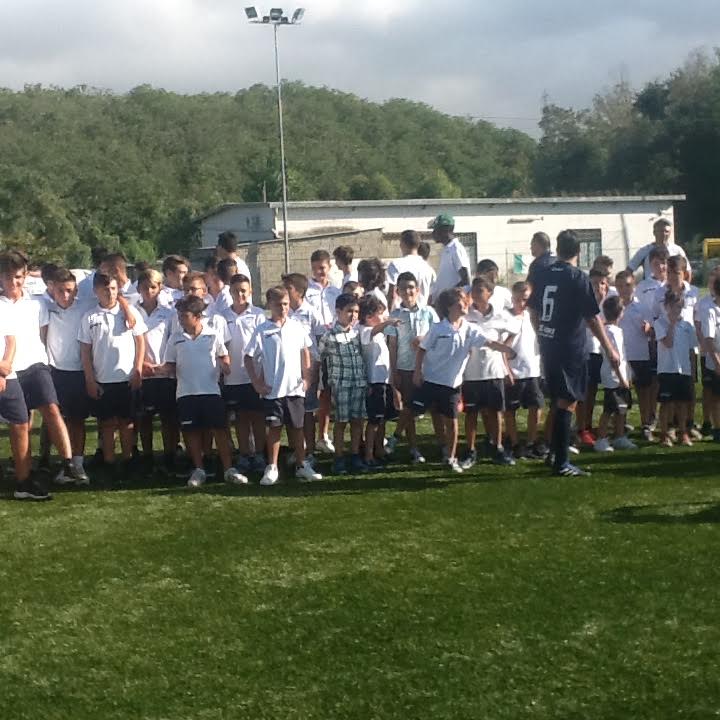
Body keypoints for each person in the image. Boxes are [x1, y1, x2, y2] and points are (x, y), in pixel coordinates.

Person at [527, 230, 620, 477]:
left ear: (557, 249)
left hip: (549, 344)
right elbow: (592, 317)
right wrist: (609, 348)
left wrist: (541, 332)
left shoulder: (543, 273)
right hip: (569, 346)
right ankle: (562, 461)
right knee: (567, 401)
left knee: (558, 399)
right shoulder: (577, 277)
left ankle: (553, 452)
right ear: (579, 251)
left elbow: (533, 309)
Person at [0, 251, 86, 486]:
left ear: (26, 275)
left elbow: (44, 334)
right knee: (22, 422)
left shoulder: (38, 302)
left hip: (36, 364)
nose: (14, 282)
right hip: (11, 371)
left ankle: (68, 464)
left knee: (51, 408)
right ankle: (24, 469)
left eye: (18, 276)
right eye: (8, 277)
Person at [412, 287, 514, 473]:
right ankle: (396, 442)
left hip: (452, 386)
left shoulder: (470, 329)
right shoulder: (438, 328)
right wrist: (417, 372)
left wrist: (507, 350)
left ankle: (451, 458)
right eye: (461, 301)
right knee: (410, 411)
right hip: (430, 381)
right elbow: (422, 349)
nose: (466, 304)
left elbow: (489, 343)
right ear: (450, 306)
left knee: (452, 421)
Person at [163, 295, 248, 488]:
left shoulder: (213, 335)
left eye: (184, 316)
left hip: (211, 392)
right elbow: (169, 365)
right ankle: (199, 470)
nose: (180, 319)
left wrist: (225, 365)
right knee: (191, 432)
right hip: (185, 393)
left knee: (220, 430)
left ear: (197, 316)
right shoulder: (175, 339)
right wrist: (157, 370)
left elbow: (224, 356)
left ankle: (228, 469)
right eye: (179, 315)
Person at [244, 286, 321, 486]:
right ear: (270, 305)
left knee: (297, 428)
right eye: (278, 304)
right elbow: (248, 357)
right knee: (274, 429)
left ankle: (301, 465)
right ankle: (272, 467)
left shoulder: (296, 327)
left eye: (286, 304)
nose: (283, 308)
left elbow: (305, 351)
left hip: (295, 390)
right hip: (273, 392)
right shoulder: (262, 330)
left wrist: (307, 378)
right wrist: (257, 383)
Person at [78, 272, 147, 474]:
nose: (110, 293)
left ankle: (128, 461)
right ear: (96, 291)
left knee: (127, 422)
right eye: (105, 289)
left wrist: (138, 369)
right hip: (103, 379)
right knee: (107, 424)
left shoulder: (129, 313)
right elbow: (85, 351)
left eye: (113, 288)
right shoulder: (90, 316)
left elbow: (140, 341)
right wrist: (90, 380)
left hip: (126, 377)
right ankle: (109, 463)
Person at [41, 267, 94, 484]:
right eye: (61, 291)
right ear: (52, 290)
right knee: (55, 419)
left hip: (79, 371)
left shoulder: (86, 307)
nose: (65, 295)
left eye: (70, 290)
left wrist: (127, 309)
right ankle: (59, 462)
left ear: (76, 290)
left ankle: (77, 464)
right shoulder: (44, 307)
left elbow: (114, 301)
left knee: (77, 420)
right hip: (54, 372)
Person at [460, 276, 517, 468]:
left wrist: (504, 349)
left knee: (495, 412)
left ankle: (497, 447)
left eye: (480, 291)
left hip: (494, 372)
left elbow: (514, 329)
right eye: (473, 291)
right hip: (472, 373)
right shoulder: (466, 314)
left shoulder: (500, 315)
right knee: (471, 413)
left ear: (490, 293)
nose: (475, 294)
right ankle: (470, 450)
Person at [385, 272, 438, 464]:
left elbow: (438, 336)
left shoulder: (428, 312)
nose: (407, 292)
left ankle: (397, 437)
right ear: (397, 291)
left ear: (418, 290)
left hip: (427, 367)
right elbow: (392, 345)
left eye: (411, 287)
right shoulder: (395, 315)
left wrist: (424, 339)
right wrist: (393, 372)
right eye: (403, 288)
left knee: (429, 408)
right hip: (405, 367)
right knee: (409, 407)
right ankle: (414, 448)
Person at [220, 273, 266, 473]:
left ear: (250, 292)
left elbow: (263, 346)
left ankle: (260, 454)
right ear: (230, 292)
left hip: (254, 375)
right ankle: (245, 454)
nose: (240, 295)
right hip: (233, 376)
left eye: (243, 291)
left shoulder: (258, 314)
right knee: (240, 417)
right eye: (236, 291)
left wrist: (261, 375)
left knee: (258, 416)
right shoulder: (222, 316)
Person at [135, 269, 178, 474]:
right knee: (144, 418)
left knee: (169, 418)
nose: (149, 291)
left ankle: (170, 455)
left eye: (153, 287)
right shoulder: (133, 313)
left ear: (160, 288)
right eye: (145, 287)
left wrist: (166, 365)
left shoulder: (169, 314)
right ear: (138, 288)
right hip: (143, 373)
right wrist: (141, 364)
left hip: (165, 372)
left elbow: (173, 340)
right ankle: (147, 456)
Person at [319, 293, 368, 475]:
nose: (353, 315)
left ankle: (354, 455)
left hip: (358, 383)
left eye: (356, 311)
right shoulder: (329, 336)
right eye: (349, 311)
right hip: (340, 385)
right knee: (341, 422)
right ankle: (339, 458)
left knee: (357, 421)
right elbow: (319, 358)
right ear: (338, 312)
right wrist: (322, 384)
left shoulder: (357, 334)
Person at [283, 272, 325, 466]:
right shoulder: (283, 312)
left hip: (308, 367)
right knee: (291, 411)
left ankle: (310, 450)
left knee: (307, 411)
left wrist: (315, 367)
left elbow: (320, 340)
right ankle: (296, 448)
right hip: (288, 369)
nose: (285, 291)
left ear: (299, 291)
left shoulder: (311, 312)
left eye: (288, 288)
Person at [504, 281, 547, 459]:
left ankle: (531, 441)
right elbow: (503, 347)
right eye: (518, 299)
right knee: (510, 410)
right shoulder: (506, 318)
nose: (522, 303)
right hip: (514, 372)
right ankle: (514, 443)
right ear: (512, 298)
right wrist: (507, 370)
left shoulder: (533, 316)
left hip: (533, 371)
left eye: (526, 299)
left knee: (536, 406)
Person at [358, 295, 399, 469]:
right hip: (374, 383)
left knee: (382, 419)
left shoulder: (379, 334)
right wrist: (388, 323)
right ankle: (368, 455)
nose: (384, 316)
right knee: (374, 420)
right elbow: (373, 331)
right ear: (369, 316)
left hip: (384, 381)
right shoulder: (364, 331)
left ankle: (379, 451)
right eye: (380, 313)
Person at [306, 249, 341, 454]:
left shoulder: (335, 291)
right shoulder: (307, 290)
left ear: (329, 267)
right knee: (312, 389)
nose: (319, 272)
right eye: (316, 268)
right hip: (312, 342)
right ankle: (307, 438)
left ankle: (323, 434)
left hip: (331, 342)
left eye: (323, 268)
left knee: (327, 389)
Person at [615, 270, 656, 440]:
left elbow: (652, 331)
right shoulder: (613, 306)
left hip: (640, 355)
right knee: (622, 393)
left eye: (627, 285)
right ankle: (621, 424)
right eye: (620, 286)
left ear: (634, 286)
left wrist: (649, 330)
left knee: (643, 392)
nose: (624, 289)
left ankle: (646, 424)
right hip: (621, 357)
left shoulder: (642, 307)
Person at [654, 291, 697, 447]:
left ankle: (683, 432)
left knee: (682, 403)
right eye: (673, 306)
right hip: (667, 369)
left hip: (683, 369)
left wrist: (692, 371)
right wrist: (672, 324)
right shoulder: (660, 323)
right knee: (666, 403)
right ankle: (664, 434)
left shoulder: (687, 326)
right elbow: (668, 343)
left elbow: (692, 350)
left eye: (679, 307)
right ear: (666, 306)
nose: (676, 310)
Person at [593, 295, 636, 452]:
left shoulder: (617, 331)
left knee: (621, 408)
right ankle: (601, 439)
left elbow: (622, 356)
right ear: (620, 312)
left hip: (621, 375)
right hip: (613, 377)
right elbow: (614, 358)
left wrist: (627, 373)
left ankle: (620, 436)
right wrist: (621, 378)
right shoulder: (610, 332)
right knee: (609, 409)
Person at [576, 267, 610, 447]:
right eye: (595, 283)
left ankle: (588, 425)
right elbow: (589, 323)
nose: (598, 287)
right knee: (584, 392)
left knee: (594, 391)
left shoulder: (608, 304)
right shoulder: (584, 302)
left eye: (602, 283)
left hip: (600, 352)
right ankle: (581, 427)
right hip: (586, 350)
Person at [386, 230, 436, 308]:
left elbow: (392, 294)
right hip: (422, 312)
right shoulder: (428, 269)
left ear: (402, 244)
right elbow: (430, 297)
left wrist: (390, 311)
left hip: (400, 312)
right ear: (418, 245)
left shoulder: (396, 265)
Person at [428, 213, 470, 302]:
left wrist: (448, 296)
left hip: (451, 303)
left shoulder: (456, 248)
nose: (433, 233)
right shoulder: (447, 249)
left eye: (435, 230)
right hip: (441, 303)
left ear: (445, 230)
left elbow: (465, 280)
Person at [700, 274, 720, 442]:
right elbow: (709, 339)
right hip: (716, 362)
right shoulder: (710, 311)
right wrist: (717, 363)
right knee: (716, 397)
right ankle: (717, 429)